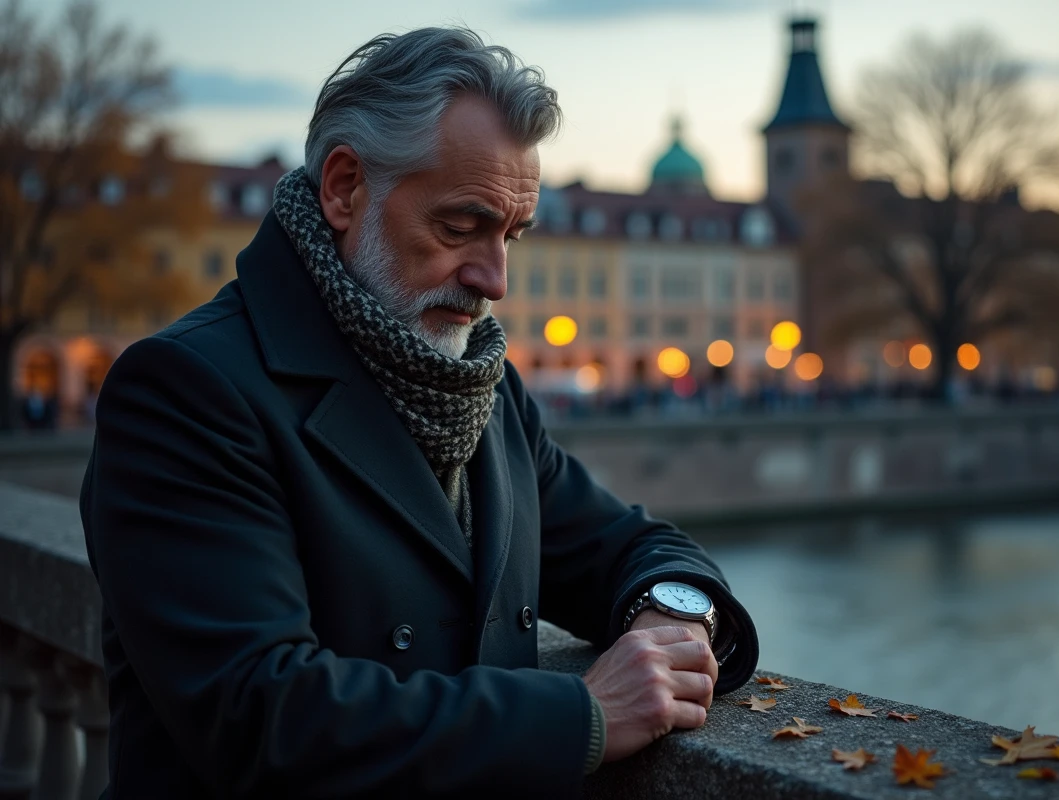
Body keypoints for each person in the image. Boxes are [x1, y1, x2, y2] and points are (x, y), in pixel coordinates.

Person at [80, 27, 758, 799]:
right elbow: (263, 715)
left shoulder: (478, 389)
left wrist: (672, 617)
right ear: (344, 188)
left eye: (512, 235)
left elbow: (628, 544)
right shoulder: (186, 389)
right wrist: (584, 715)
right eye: (460, 227)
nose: (494, 279)